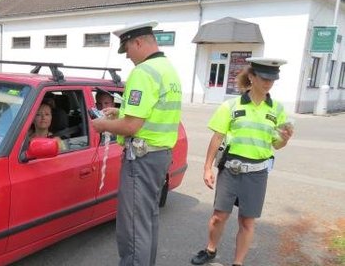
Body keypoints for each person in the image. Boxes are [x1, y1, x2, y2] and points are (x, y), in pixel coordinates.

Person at [92, 21, 182, 266]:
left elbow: (132, 126)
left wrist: (102, 125)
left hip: (141, 159)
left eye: (128, 50)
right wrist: (119, 112)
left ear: (138, 42)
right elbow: (148, 112)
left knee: (132, 228)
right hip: (159, 155)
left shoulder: (144, 72)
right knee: (147, 221)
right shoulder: (167, 69)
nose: (128, 57)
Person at [190, 57, 293, 266]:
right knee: (219, 216)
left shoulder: (277, 110)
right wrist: (207, 168)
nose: (268, 83)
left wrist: (285, 138)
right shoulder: (231, 105)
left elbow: (277, 144)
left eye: (272, 80)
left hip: (257, 173)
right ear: (252, 77)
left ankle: (238, 262)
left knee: (247, 221)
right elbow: (217, 137)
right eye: (264, 78)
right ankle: (210, 249)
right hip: (231, 169)